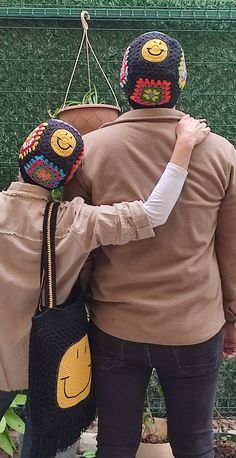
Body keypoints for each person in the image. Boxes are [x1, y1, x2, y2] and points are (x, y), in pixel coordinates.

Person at [64, 31, 236, 458]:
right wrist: (231, 318)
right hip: (195, 326)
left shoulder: (91, 152)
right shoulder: (221, 154)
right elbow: (231, 251)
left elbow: (77, 247)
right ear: (179, 84)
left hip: (114, 326)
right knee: (196, 443)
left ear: (126, 83)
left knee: (116, 444)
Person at [0, 116, 209, 458]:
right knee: (44, 442)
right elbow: (154, 213)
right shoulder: (78, 220)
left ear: (23, 156)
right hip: (49, 356)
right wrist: (183, 145)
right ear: (68, 178)